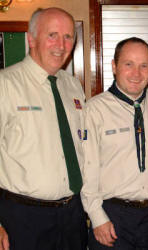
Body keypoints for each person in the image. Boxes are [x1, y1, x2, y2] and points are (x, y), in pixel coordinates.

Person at [0, 7, 87, 250]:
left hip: (72, 214)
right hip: (23, 217)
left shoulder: (73, 86)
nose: (61, 44)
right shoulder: (5, 85)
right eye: (52, 35)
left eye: (68, 36)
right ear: (31, 39)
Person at [81, 37, 148, 250]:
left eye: (144, 66)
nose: (136, 73)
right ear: (114, 66)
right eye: (128, 64)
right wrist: (97, 216)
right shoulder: (95, 110)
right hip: (113, 215)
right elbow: (87, 169)